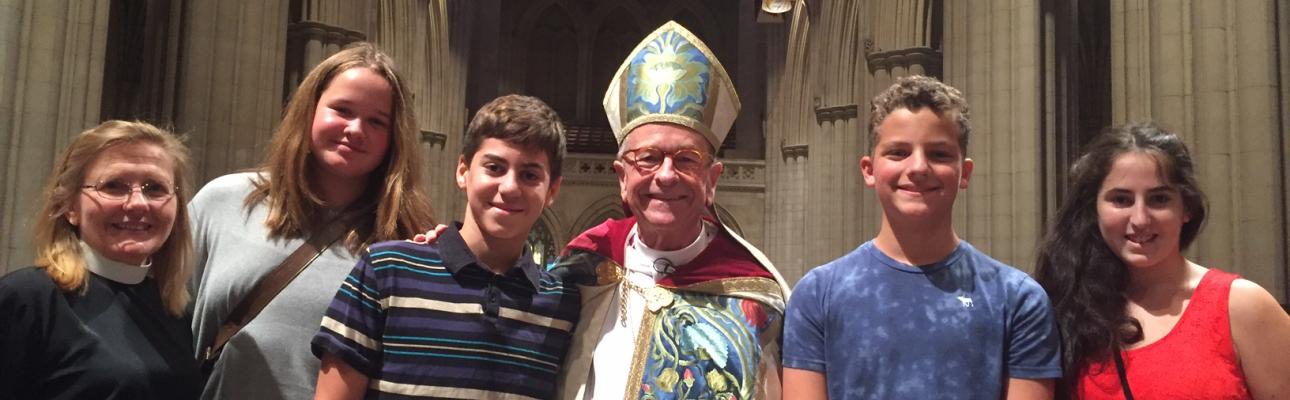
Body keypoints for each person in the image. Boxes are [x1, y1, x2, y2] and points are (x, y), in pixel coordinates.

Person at [781, 75, 1063, 399]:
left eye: (939, 154)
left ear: (965, 173)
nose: (918, 167)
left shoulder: (1017, 300)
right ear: (869, 170)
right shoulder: (818, 295)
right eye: (899, 152)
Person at [552, 20, 793, 400]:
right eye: (648, 157)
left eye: (686, 159)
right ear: (621, 177)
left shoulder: (758, 297)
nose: (666, 175)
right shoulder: (578, 274)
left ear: (712, 180)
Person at [189, 42, 435, 399]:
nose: (355, 129)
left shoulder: (405, 240)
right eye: (342, 110)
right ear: (310, 110)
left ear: (394, 138)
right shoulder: (223, 202)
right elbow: (162, 324)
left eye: (376, 121)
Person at [310, 94, 579, 399]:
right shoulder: (386, 272)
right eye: (494, 167)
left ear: (552, 190)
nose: (509, 187)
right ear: (463, 171)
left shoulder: (562, 305)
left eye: (529, 175)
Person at [1033, 122, 1290, 399]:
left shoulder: (1242, 307)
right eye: (1121, 199)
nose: (1140, 219)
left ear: (1186, 208)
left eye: (1159, 199)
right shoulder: (1067, 308)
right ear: (1094, 209)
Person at [0, 120, 200, 399]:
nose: (138, 203)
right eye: (114, 186)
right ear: (70, 206)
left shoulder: (174, 312)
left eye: (154, 188)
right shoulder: (26, 299)